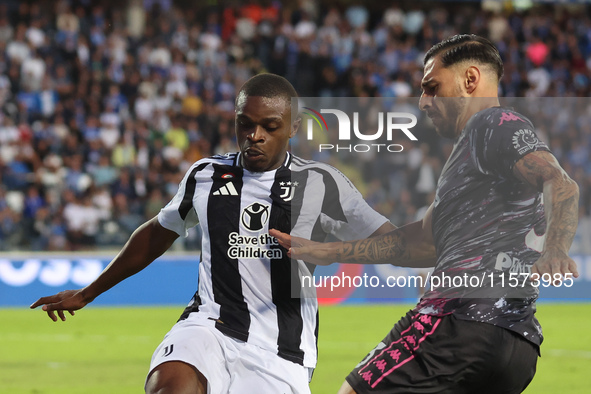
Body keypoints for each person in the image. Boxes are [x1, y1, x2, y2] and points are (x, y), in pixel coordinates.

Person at [30, 73, 394, 394]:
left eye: (270, 127)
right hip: (208, 326)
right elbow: (157, 234)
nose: (255, 137)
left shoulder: (323, 184)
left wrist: (333, 252)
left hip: (280, 350)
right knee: (170, 385)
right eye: (244, 124)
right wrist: (88, 292)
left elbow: (396, 243)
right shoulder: (206, 175)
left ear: (294, 127)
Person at [271, 35, 580, 394]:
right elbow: (421, 244)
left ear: (470, 80)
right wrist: (322, 251)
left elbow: (560, 182)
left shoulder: (493, 124)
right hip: (515, 343)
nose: (423, 102)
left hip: (456, 322)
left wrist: (557, 249)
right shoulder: (473, 158)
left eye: (432, 87)